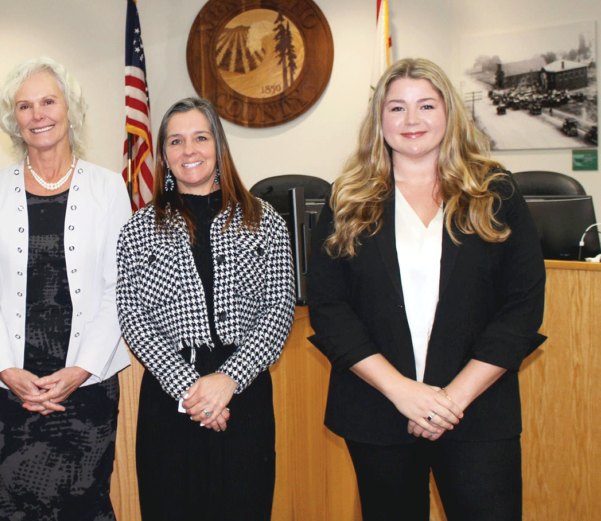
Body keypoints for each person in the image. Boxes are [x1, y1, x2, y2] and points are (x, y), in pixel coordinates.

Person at [308, 58, 546, 521]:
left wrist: (450, 401)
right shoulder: (347, 198)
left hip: (477, 411)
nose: (411, 120)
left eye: (426, 105)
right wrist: (402, 392)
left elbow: (522, 306)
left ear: (449, 112)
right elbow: (329, 308)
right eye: (397, 108)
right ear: (379, 119)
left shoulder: (495, 192)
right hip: (379, 410)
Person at [0, 57, 131, 521]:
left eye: (48, 102)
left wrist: (80, 369)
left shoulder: (108, 188)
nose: (37, 114)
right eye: (24, 106)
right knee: (15, 508)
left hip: (86, 384)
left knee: (86, 505)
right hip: (12, 387)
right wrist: (6, 370)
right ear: (13, 119)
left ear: (69, 109)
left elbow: (119, 287)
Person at [116, 97, 295, 521]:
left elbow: (279, 307)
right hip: (170, 398)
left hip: (244, 394)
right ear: (163, 155)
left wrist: (228, 380)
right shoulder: (138, 229)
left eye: (200, 137)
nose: (189, 150)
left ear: (219, 146)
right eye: (176, 141)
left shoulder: (264, 220)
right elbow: (133, 317)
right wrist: (190, 390)